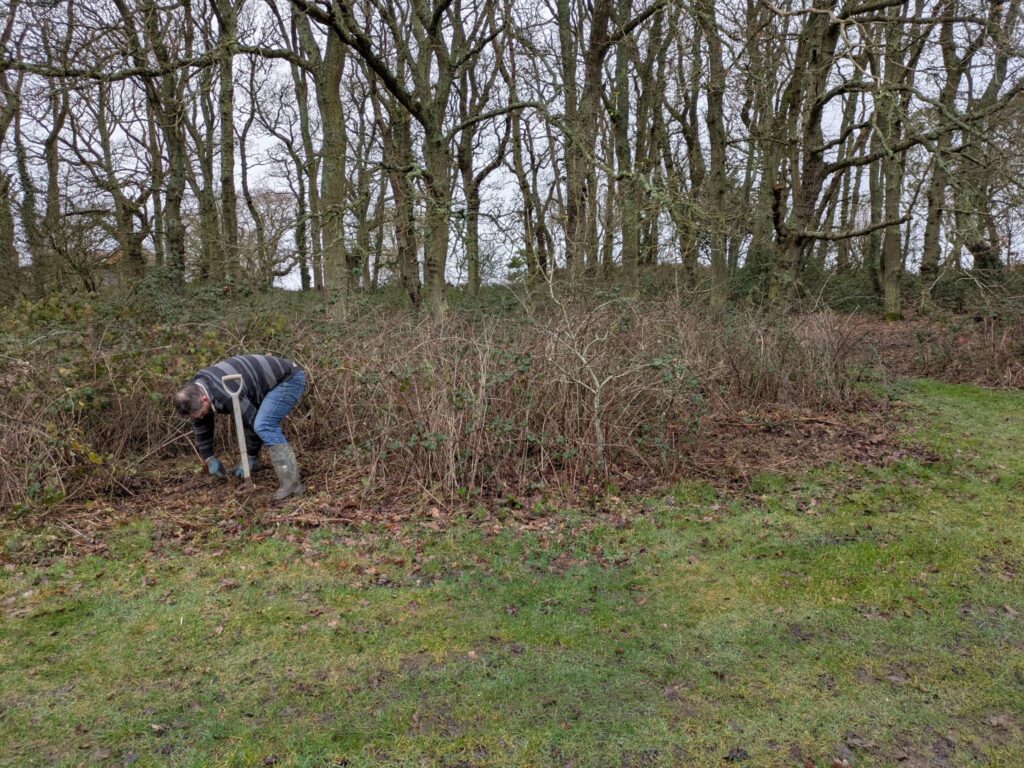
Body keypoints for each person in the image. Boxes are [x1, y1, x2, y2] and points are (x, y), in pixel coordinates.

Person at [174, 354, 306, 501]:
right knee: (249, 421)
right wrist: (209, 457)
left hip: (288, 379)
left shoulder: (225, 392)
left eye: (200, 413)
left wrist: (249, 457)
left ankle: (292, 484)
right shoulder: (197, 389)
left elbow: (251, 421)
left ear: (204, 399)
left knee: (263, 425)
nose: (200, 417)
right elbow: (201, 424)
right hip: (266, 384)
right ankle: (255, 463)